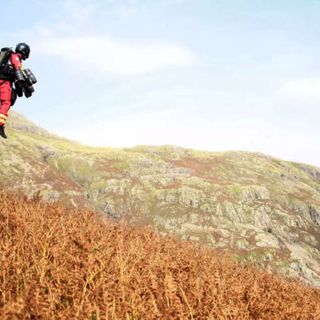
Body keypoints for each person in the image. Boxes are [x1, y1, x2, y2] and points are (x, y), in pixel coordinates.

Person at [0, 43, 31, 139]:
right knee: (6, 102)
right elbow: (17, 70)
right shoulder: (16, 57)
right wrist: (23, 84)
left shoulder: (8, 56)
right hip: (4, 83)